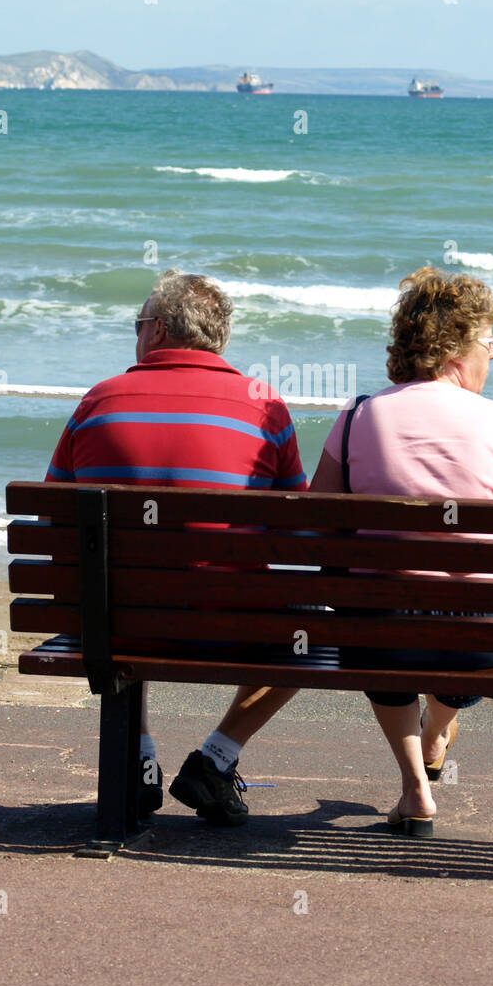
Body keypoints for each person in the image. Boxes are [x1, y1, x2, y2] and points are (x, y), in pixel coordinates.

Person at [45, 269, 307, 826]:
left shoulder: (100, 399)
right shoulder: (265, 405)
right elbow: (297, 529)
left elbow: (53, 513)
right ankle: (215, 758)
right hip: (229, 623)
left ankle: (139, 760)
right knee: (310, 631)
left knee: (122, 576)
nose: (134, 335)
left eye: (137, 324)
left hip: (109, 622)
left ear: (158, 329)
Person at [308, 266, 493, 836]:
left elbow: (316, 520)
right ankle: (439, 726)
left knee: (375, 619)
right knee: (468, 608)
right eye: (490, 342)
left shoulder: (359, 415)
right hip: (481, 641)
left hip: (379, 635)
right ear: (457, 348)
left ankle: (415, 788)